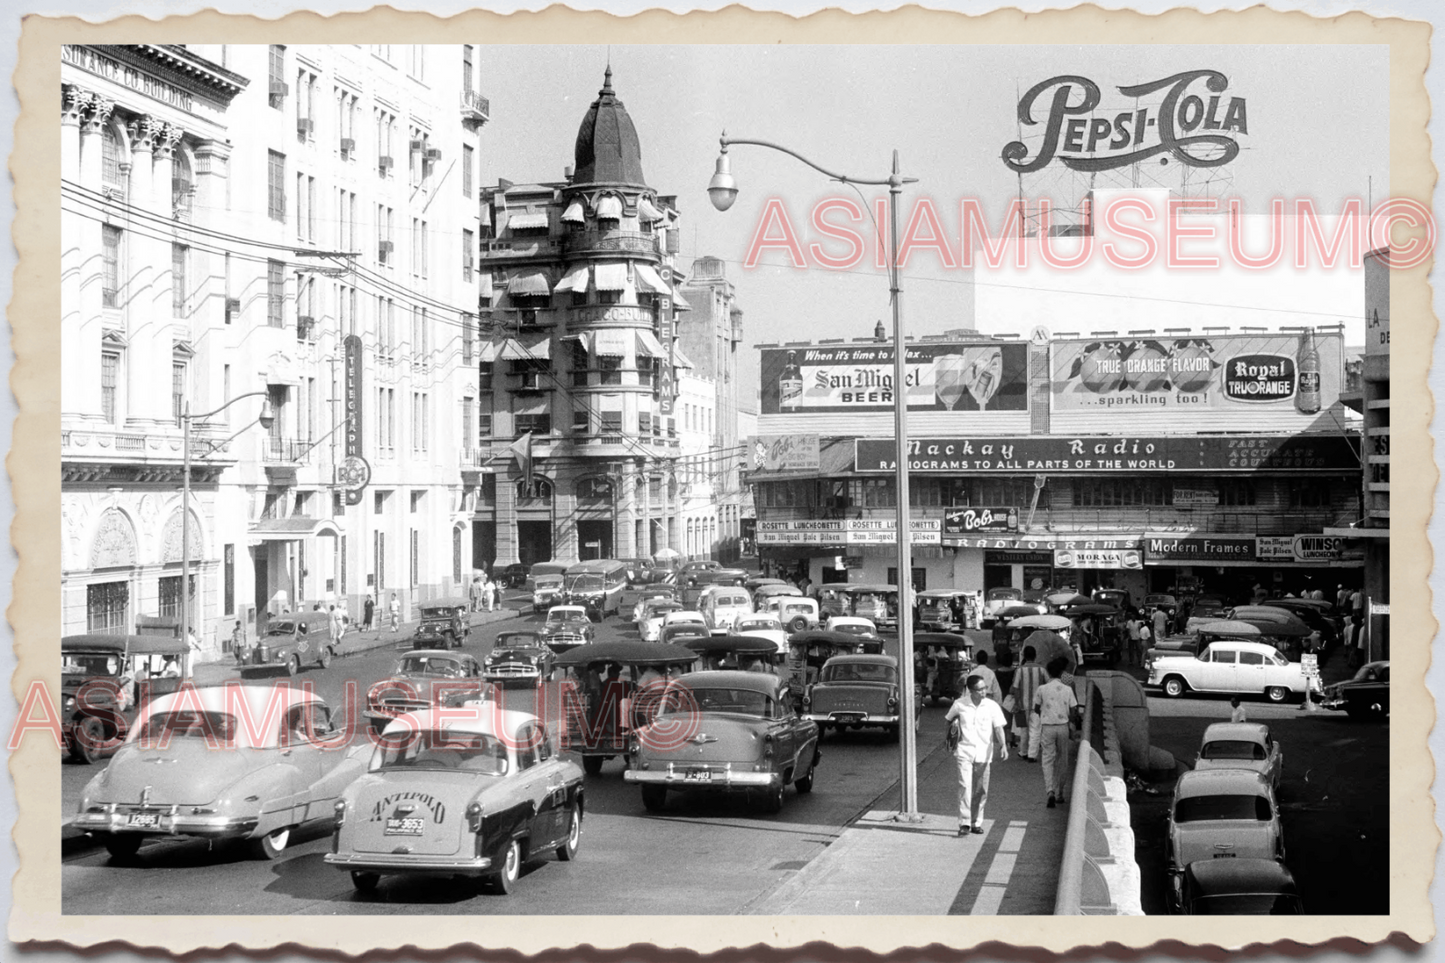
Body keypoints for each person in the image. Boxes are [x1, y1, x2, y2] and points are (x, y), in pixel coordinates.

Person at [944, 673, 1009, 836]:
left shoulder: (992, 706)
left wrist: (1003, 745)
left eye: (984, 688)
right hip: (964, 751)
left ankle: (976, 822)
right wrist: (951, 739)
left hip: (984, 752)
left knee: (981, 789)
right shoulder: (959, 704)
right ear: (971, 691)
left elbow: (999, 727)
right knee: (965, 786)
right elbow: (949, 721)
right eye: (980, 689)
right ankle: (964, 822)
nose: (983, 692)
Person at [1032, 656, 1079, 809]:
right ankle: (1060, 793)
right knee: (1062, 759)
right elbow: (1074, 710)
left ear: (1048, 673)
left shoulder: (1042, 689)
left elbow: (1036, 709)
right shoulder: (1067, 689)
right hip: (1063, 727)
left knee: (1047, 759)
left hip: (1047, 727)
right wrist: (1071, 725)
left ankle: (1050, 790)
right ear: (1061, 673)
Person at [1008, 645, 1047, 761]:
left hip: (1022, 705)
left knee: (1024, 730)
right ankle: (1032, 755)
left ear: (1024, 656)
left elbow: (1015, 688)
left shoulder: (1019, 670)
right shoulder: (1042, 670)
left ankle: (1023, 752)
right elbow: (1048, 684)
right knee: (1035, 730)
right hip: (1038, 706)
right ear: (1035, 656)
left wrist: (1018, 702)